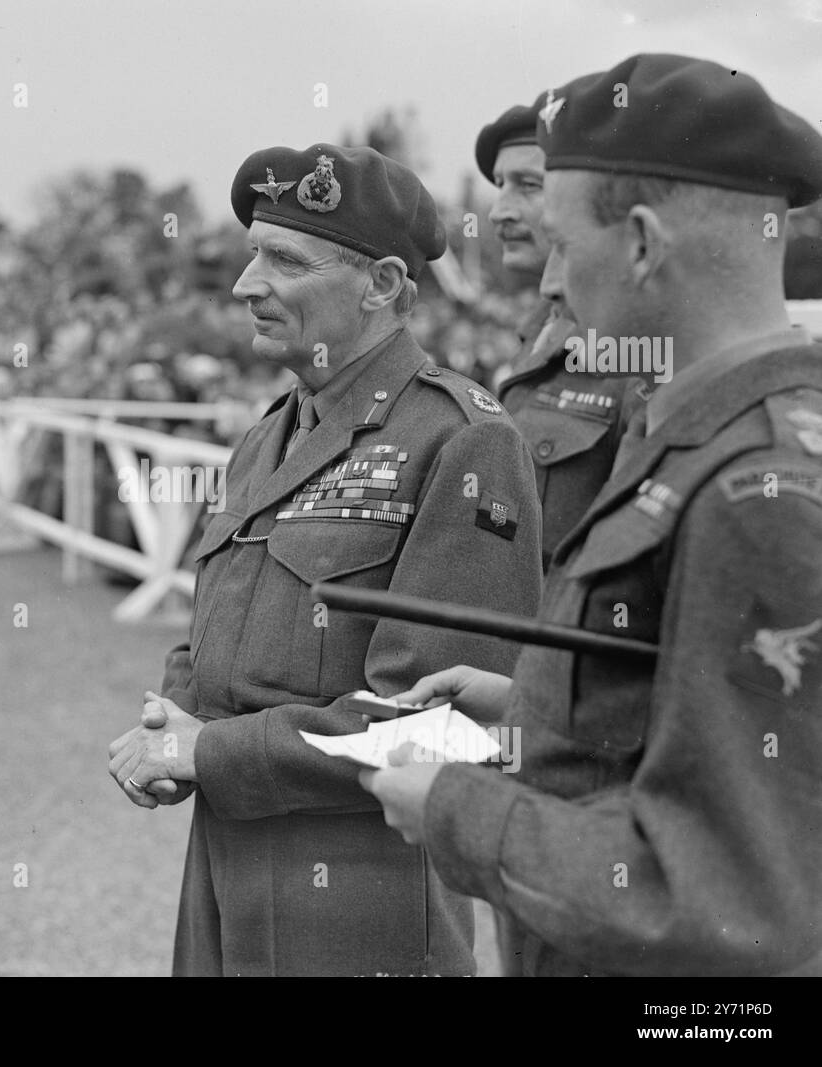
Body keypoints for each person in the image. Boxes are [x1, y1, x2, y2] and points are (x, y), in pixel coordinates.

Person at [360, 54, 822, 976]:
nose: (548, 285)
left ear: (645, 243)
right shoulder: (702, 432)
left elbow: (734, 894)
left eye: (563, 245)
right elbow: (680, 706)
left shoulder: (753, 488)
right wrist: (530, 705)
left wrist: (452, 809)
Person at [108, 144, 543, 976]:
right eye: (250, 256)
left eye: (285, 261)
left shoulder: (461, 438)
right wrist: (169, 719)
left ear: (381, 284)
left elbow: (436, 726)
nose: (247, 284)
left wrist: (208, 752)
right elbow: (217, 630)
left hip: (358, 893)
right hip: (224, 867)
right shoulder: (269, 432)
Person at [477, 93, 647, 570]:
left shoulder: (636, 350)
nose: (498, 212)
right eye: (499, 185)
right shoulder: (538, 331)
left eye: (528, 185)